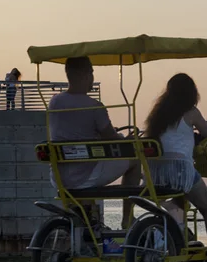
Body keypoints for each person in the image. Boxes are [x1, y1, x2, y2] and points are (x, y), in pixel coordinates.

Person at [144, 73, 207, 262]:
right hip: (181, 171)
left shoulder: (157, 115)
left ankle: (176, 228)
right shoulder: (191, 112)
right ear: (191, 93)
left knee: (180, 199)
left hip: (157, 172)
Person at [48, 56, 142, 230]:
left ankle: (89, 224)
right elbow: (112, 139)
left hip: (59, 176)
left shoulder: (55, 102)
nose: (93, 77)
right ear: (85, 75)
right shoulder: (94, 107)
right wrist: (126, 140)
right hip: (83, 175)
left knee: (90, 162)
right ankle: (127, 220)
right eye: (92, 72)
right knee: (135, 161)